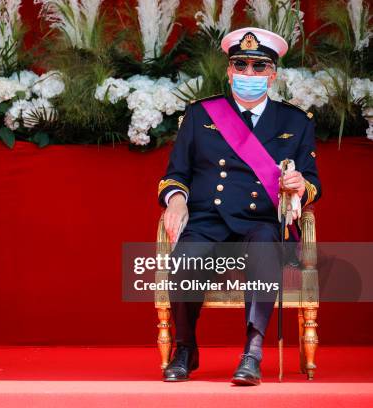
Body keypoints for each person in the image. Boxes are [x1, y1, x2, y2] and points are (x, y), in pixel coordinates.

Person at [158, 27, 321, 385]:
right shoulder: (201, 115)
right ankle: (185, 349)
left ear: (273, 74)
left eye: (258, 67)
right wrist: (177, 200)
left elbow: (313, 183)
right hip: (207, 219)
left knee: (264, 250)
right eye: (240, 65)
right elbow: (175, 175)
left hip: (261, 221)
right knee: (184, 260)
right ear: (229, 70)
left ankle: (253, 351)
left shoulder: (295, 122)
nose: (249, 74)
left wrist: (298, 187)